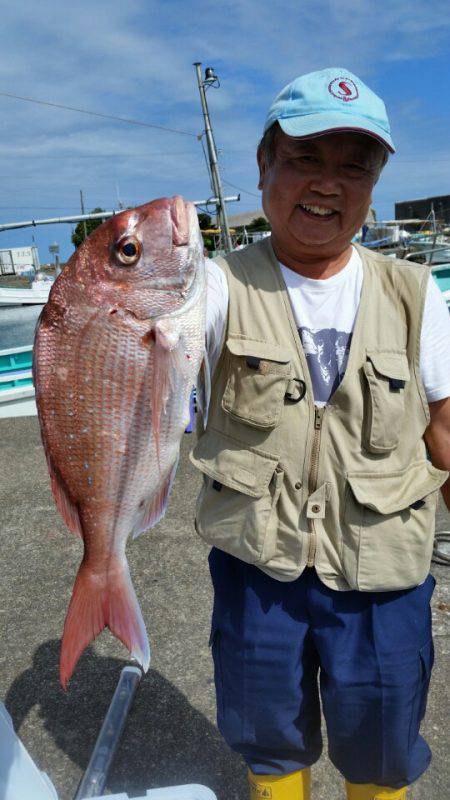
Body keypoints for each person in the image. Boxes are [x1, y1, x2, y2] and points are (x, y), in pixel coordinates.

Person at [190, 68, 450, 800]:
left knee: (384, 740)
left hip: (383, 571)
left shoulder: (413, 291)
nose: (327, 183)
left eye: (354, 166)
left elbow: (445, 424)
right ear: (264, 165)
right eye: (305, 157)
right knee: (265, 733)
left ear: (374, 185)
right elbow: (151, 394)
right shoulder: (215, 287)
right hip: (257, 566)